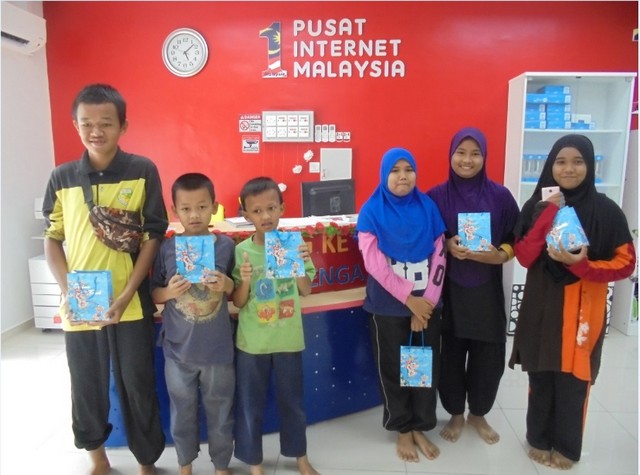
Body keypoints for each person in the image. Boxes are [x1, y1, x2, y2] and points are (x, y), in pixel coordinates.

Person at [42, 84, 167, 475]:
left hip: (131, 303)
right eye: (87, 123)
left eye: (106, 123)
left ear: (123, 126)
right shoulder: (62, 177)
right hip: (81, 304)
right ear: (75, 125)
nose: (96, 131)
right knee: (86, 384)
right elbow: (52, 237)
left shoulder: (142, 170)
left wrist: (128, 293)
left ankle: (146, 460)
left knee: (138, 384)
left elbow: (153, 235)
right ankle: (97, 457)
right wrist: (69, 291)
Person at [508, 134, 636, 470]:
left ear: (590, 165)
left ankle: (566, 446)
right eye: (561, 162)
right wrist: (549, 212)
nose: (569, 169)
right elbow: (524, 256)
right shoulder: (535, 205)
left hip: (583, 311)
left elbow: (626, 263)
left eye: (578, 161)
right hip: (541, 307)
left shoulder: (606, 211)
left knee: (574, 381)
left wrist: (583, 266)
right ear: (550, 166)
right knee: (541, 376)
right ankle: (538, 438)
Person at [427, 127, 520, 445]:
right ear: (451, 155)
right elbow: (425, 237)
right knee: (451, 355)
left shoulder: (500, 196)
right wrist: (446, 244)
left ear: (484, 157)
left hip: (486, 292)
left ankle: (478, 414)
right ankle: (455, 413)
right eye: (461, 153)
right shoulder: (435, 196)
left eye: (475, 153)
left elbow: (517, 237)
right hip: (449, 292)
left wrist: (500, 255)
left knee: (488, 357)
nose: (467, 160)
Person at [356, 147, 447, 463]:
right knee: (394, 370)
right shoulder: (371, 212)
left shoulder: (428, 207)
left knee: (421, 370)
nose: (403, 176)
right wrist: (410, 301)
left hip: (427, 306)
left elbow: (440, 257)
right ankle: (402, 428)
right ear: (384, 175)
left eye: (408, 169)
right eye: (395, 170)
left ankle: (420, 425)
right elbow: (375, 264)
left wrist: (426, 304)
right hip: (388, 308)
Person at [232, 177, 319, 475]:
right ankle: (254, 463)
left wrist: (300, 264)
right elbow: (239, 301)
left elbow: (305, 290)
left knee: (293, 403)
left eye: (271, 208)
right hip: (252, 343)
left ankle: (300, 457)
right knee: (250, 405)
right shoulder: (242, 251)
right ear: (246, 215)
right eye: (257, 211)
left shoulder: (294, 244)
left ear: (282, 208)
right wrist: (244, 280)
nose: (265, 216)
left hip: (288, 339)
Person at [151, 173, 235, 475]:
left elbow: (238, 292)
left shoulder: (226, 246)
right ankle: (184, 464)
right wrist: (168, 293)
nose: (194, 214)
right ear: (175, 211)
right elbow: (154, 293)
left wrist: (226, 284)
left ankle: (221, 465)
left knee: (221, 412)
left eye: (202, 206)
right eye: (186, 209)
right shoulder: (166, 248)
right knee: (181, 412)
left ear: (214, 206)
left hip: (218, 350)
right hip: (178, 350)